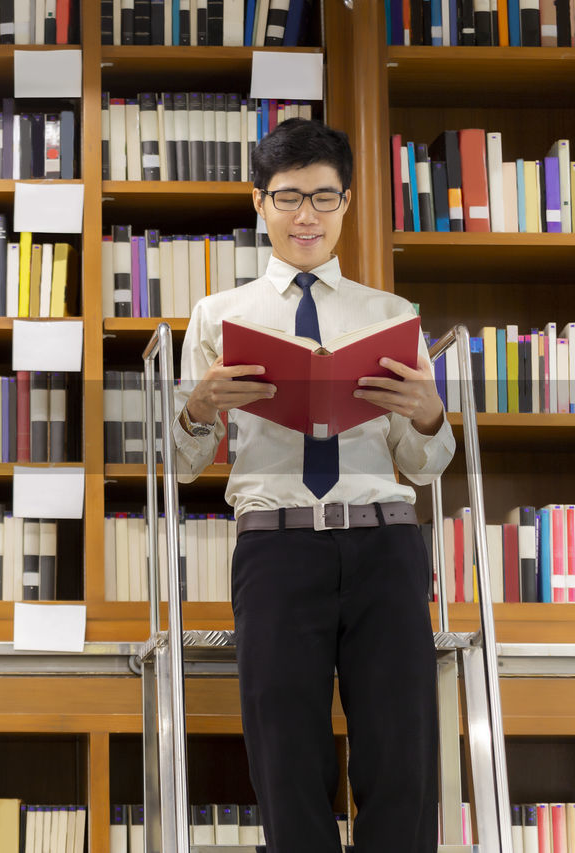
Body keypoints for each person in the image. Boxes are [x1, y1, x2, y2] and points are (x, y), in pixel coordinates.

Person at [173, 118, 455, 852]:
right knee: (285, 759)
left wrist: (429, 416)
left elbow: (424, 468)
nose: (307, 216)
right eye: (289, 196)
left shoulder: (391, 316)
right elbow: (179, 466)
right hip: (277, 552)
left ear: (348, 202)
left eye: (324, 198)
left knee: (402, 758)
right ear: (258, 202)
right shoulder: (218, 316)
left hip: (385, 545)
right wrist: (199, 408)